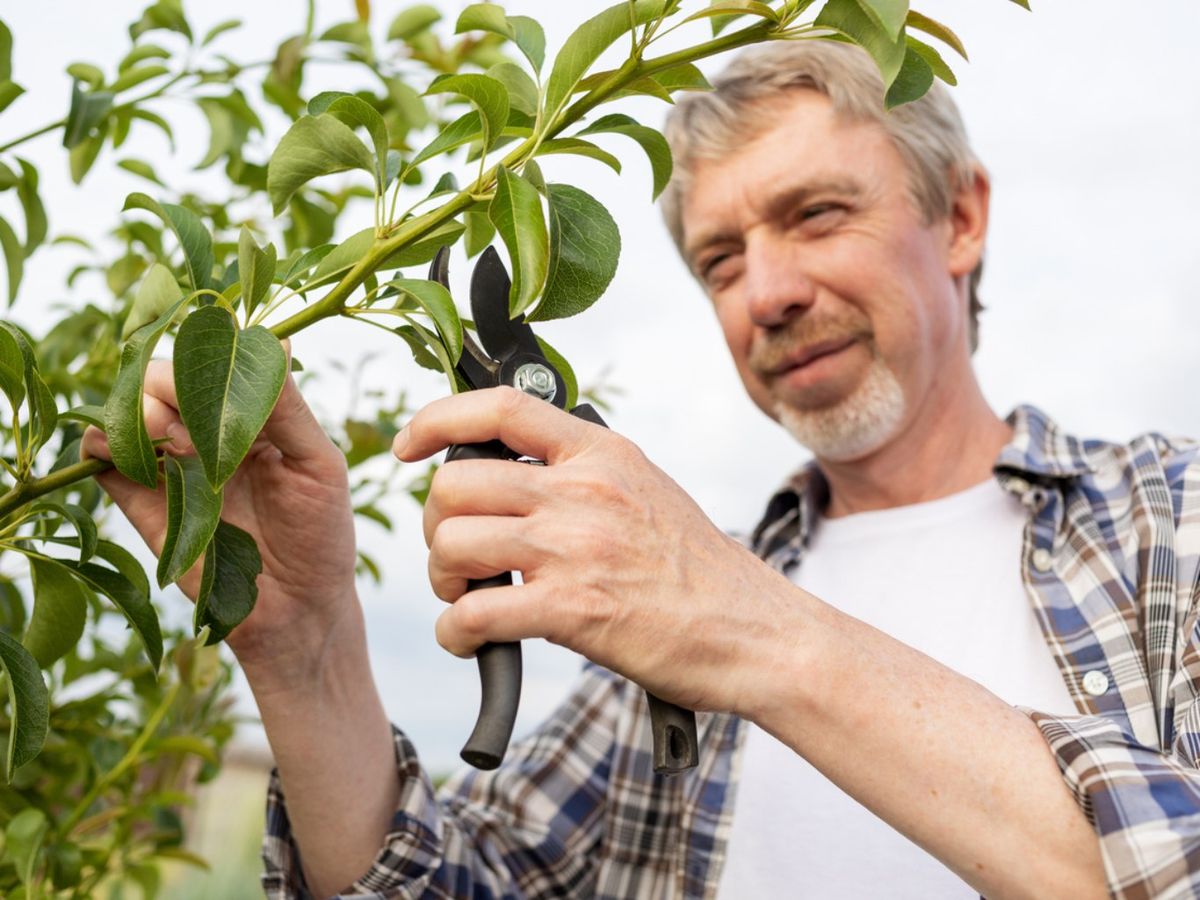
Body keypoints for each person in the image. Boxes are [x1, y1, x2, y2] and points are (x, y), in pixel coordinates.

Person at [82, 40, 1200, 899]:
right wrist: (306, 650)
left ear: (959, 217)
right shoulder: (676, 604)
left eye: (816, 214)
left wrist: (745, 629)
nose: (768, 294)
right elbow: (462, 883)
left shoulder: (1171, 516)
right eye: (721, 259)